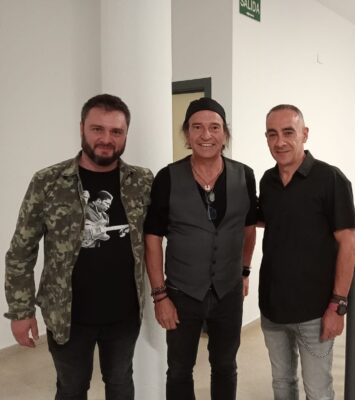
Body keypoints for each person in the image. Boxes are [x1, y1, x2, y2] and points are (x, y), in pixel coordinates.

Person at [4, 94, 154, 399]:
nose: (106, 139)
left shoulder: (141, 181)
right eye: (97, 129)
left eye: (116, 131)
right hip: (67, 315)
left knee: (120, 383)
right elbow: (21, 249)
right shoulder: (48, 182)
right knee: (71, 389)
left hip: (124, 313)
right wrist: (21, 310)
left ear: (126, 134)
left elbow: (159, 236)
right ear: (82, 128)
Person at [144, 97, 257, 400]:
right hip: (181, 293)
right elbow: (152, 238)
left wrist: (244, 271)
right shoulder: (167, 177)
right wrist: (160, 296)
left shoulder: (245, 175)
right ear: (187, 133)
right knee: (179, 369)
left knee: (225, 366)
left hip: (228, 291)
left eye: (214, 127)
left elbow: (248, 229)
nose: (206, 135)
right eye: (197, 127)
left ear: (225, 133)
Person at [258, 104, 355, 400]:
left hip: (315, 311)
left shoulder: (331, 179)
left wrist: (338, 306)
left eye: (288, 132)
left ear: (304, 134)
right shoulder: (268, 181)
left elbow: (348, 244)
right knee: (282, 383)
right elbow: (270, 220)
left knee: (318, 391)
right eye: (272, 134)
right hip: (272, 308)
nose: (280, 142)